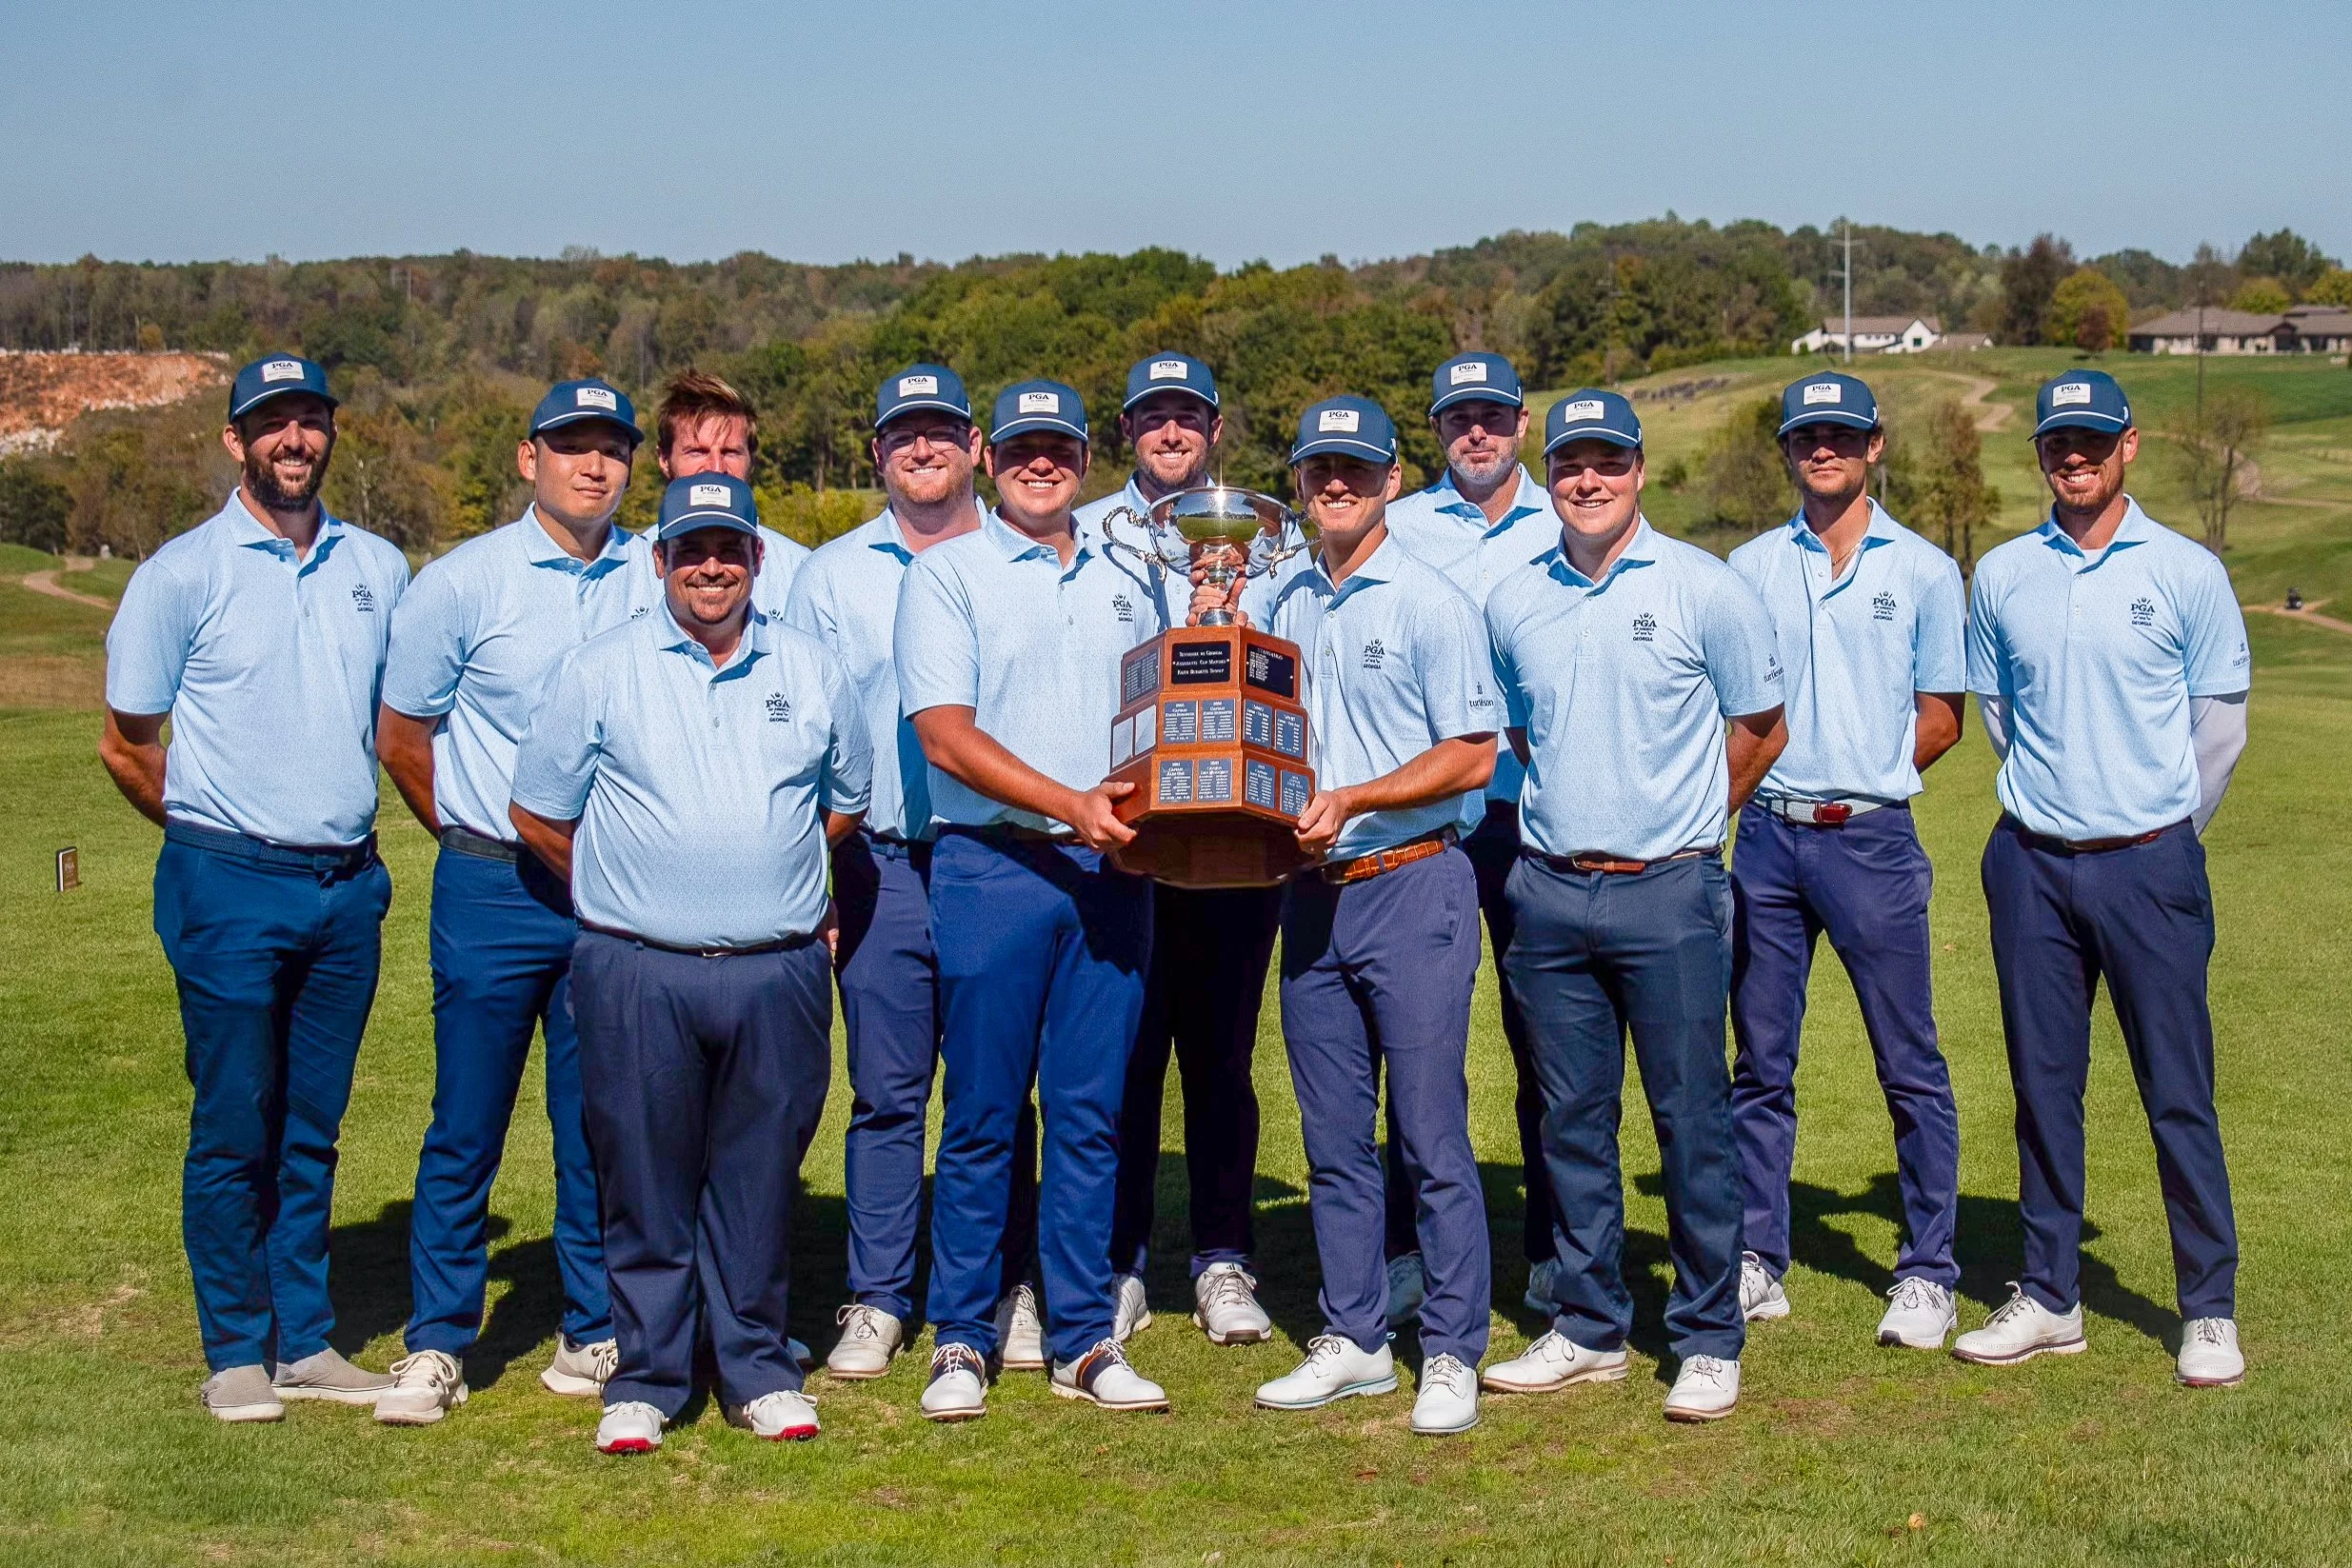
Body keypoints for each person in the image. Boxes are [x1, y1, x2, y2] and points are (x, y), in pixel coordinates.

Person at [509, 472, 870, 1454]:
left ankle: (757, 1366)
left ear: (757, 557)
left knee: (759, 1177)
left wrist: (768, 872)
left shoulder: (812, 667)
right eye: (691, 550)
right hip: (637, 966)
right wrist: (626, 882)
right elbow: (537, 811)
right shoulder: (599, 667)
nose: (711, 568)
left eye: (728, 549)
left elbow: (844, 802)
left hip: (775, 968)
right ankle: (648, 1376)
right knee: (643, 1176)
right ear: (659, 559)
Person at [99, 353, 410, 1421]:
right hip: (226, 881)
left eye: (310, 420)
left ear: (329, 433)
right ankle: (236, 1348)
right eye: (273, 422)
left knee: (313, 1126)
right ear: (237, 439)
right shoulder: (181, 573)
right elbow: (127, 742)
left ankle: (305, 1342)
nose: (294, 440)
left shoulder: (379, 566)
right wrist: (210, 834)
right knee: (236, 1119)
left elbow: (399, 719)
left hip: (346, 888)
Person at [1479, 389, 1785, 1423]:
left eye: (1608, 461)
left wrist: (1690, 819)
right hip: (1550, 891)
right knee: (1568, 1120)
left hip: (1671, 891)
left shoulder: (1706, 587)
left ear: (1640, 470)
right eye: (1571, 463)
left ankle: (1707, 1333)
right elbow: (1524, 735)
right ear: (1549, 476)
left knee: (1691, 1119)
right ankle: (1589, 1324)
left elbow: (1762, 724)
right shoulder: (1514, 600)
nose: (1588, 479)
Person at [1954, 369, 2250, 1388]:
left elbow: (2219, 729)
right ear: (2040, 454)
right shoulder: (2002, 574)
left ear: (2128, 445)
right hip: (2031, 864)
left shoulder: (2186, 570)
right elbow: (2002, 716)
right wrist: (2066, 808)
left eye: (2091, 440)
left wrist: (2158, 830)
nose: (2072, 457)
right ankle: (2049, 1294)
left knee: (2177, 1090)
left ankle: (2207, 1305)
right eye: (2056, 443)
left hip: (2148, 866)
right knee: (2043, 1088)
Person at [368, 379, 645, 1425]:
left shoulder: (654, 570)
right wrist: (466, 832)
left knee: (596, 1122)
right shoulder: (461, 582)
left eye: (611, 448)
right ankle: (439, 1342)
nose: (593, 465)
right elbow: (404, 737)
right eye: (571, 446)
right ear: (530, 459)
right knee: (466, 1121)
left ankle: (592, 1324)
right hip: (490, 882)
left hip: (611, 889)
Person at [894, 380, 1172, 1420]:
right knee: (981, 1113)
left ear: (1086, 457)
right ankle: (962, 1335)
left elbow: (1168, 714)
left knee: (1092, 1115)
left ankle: (1082, 1335)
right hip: (993, 866)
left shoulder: (1135, 572)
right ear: (987, 456)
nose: (1039, 464)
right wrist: (1069, 804)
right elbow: (944, 735)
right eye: (1020, 449)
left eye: (1057, 447)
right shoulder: (947, 573)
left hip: (1112, 873)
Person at [781, 365, 1041, 1379]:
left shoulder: (1024, 558)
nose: (921, 448)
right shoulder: (830, 577)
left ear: (976, 446)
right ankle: (880, 1295)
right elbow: (801, 737)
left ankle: (1007, 1287)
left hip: (1002, 858)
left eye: (940, 431)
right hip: (881, 862)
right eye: (902, 434)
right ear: (877, 452)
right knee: (887, 1093)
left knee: (995, 1089)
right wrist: (814, 879)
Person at [1247, 395, 1498, 1439]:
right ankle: (1354, 1336)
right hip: (1312, 895)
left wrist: (1355, 798)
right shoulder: (1281, 601)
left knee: (1429, 1135)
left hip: (1413, 880)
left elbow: (1472, 754)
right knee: (1334, 1138)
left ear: (1393, 480)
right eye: (1320, 471)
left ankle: (1451, 1348)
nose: (1336, 485)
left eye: (1356, 469)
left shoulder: (1432, 600)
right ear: (1301, 485)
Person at [1724, 371, 1967, 1349]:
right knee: (1759, 1062)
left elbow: (1942, 717)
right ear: (1787, 450)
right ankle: (1757, 1256)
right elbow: (1731, 709)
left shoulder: (1926, 570)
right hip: (1765, 840)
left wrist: (1864, 774)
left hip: (1870, 838)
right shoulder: (1745, 567)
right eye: (1804, 436)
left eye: (1840, 434)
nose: (1821, 448)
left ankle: (1928, 1270)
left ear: (1874, 445)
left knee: (1908, 1063)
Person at [1073, 353, 1279, 1347]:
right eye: (1152, 416)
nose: (1170, 432)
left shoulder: (1261, 542)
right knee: (1125, 1057)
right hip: (1126, 838)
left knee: (1221, 1057)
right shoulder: (1089, 538)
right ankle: (1121, 1261)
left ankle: (1222, 1256)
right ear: (1126, 430)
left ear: (1214, 428)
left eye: (1187, 416)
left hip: (1232, 840)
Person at [1378, 351, 1562, 1323]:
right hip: (1427, 821)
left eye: (1492, 415)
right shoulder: (1397, 526)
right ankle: (1408, 1248)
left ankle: (1553, 1247)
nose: (1476, 432)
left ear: (1522, 424)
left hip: (1539, 818)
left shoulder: (1568, 518)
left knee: (1548, 1045)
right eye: (1458, 419)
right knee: (1417, 1051)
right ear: (1436, 432)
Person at [651, 368, 810, 616]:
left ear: (752, 459)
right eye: (697, 452)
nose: (716, 468)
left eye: (730, 452)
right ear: (664, 459)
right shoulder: (633, 567)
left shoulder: (798, 568)